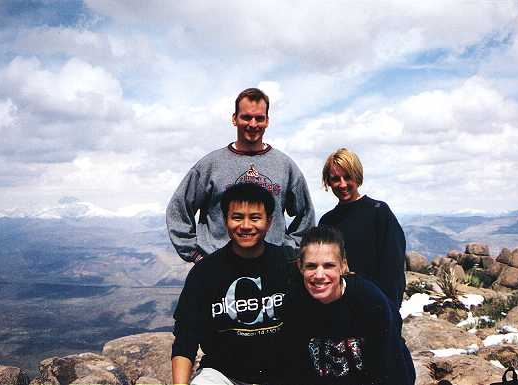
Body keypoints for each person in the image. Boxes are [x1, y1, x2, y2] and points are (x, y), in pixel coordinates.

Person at [166, 87, 315, 263]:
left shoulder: (285, 166)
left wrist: (288, 252)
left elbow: (306, 214)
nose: (253, 124)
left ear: (267, 121)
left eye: (259, 118)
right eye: (246, 117)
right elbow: (178, 208)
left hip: (271, 267)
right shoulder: (210, 165)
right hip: (219, 267)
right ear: (234, 119)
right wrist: (196, 255)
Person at [171, 183, 293, 385]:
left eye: (255, 218)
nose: (246, 226)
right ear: (225, 220)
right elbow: (186, 338)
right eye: (237, 217)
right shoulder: (205, 272)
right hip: (223, 375)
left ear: (269, 221)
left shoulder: (288, 265)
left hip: (281, 374)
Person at [283, 226, 415, 385]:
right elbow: (294, 369)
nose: (319, 275)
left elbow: (391, 368)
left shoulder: (369, 301)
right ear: (300, 266)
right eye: (311, 266)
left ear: (343, 265)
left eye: (328, 265)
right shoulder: (295, 303)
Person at [318, 148, 406, 306]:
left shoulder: (379, 212)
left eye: (347, 177)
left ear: (357, 177)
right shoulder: (327, 221)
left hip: (378, 305)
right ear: (328, 182)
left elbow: (394, 269)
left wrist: (390, 309)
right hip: (340, 307)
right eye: (335, 179)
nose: (342, 184)